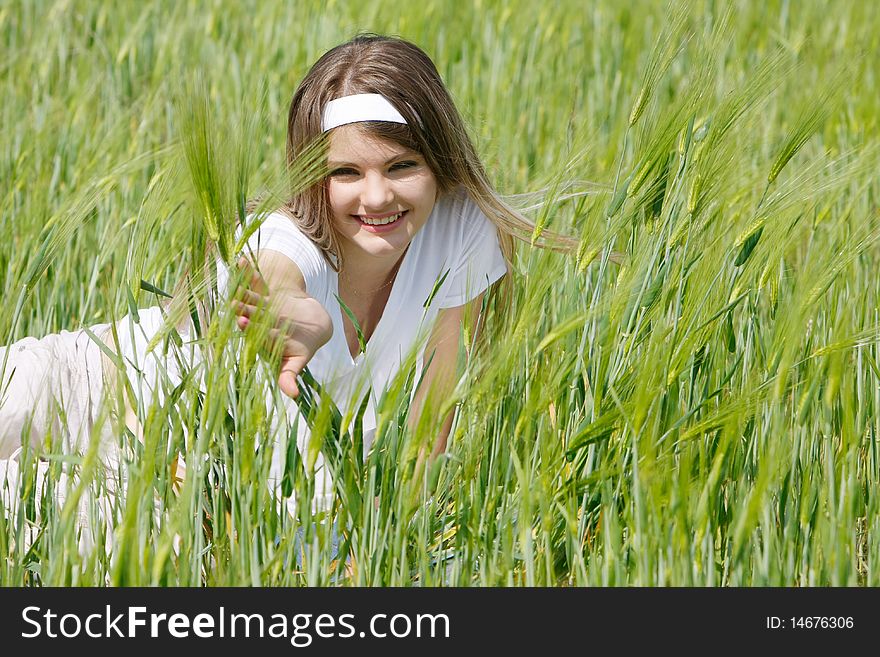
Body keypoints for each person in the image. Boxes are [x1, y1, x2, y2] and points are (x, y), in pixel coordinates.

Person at [0, 34, 570, 526]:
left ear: (439, 161)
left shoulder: (462, 228)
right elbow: (278, 275)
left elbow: (432, 419)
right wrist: (298, 316)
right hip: (98, 381)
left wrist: (392, 537)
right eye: (345, 172)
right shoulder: (288, 233)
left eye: (401, 166)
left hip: (163, 486)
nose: (376, 197)